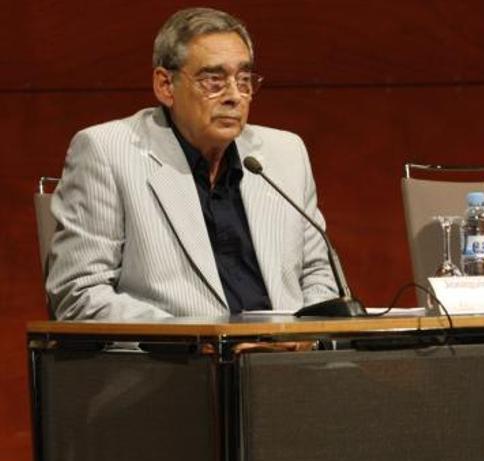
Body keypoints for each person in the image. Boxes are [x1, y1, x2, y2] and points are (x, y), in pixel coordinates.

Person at [45, 8, 338, 319]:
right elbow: (79, 292)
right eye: (213, 80)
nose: (234, 96)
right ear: (165, 86)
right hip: (178, 361)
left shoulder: (285, 153)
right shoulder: (107, 151)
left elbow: (319, 273)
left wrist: (304, 333)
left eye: (244, 79)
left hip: (282, 359)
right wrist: (200, 339)